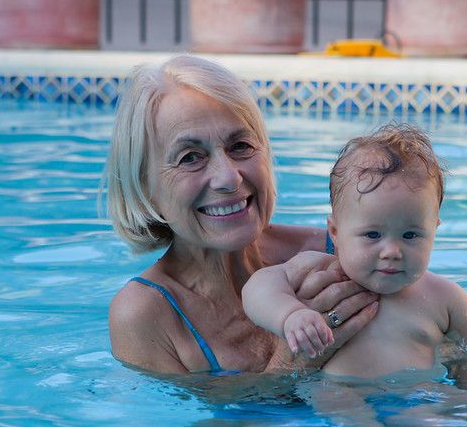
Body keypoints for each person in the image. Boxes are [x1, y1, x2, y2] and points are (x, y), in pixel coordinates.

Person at [106, 55, 378, 374]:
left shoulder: (337, 251)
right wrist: (288, 365)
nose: (229, 178)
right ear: (144, 186)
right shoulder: (147, 315)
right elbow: (199, 425)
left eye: (240, 146)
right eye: (190, 157)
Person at [242, 124, 467, 379]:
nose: (392, 252)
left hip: (420, 397)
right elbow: (257, 288)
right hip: (341, 398)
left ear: (434, 229)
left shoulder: (444, 297)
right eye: (372, 235)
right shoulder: (319, 270)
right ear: (335, 232)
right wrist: (290, 315)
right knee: (330, 398)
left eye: (411, 235)